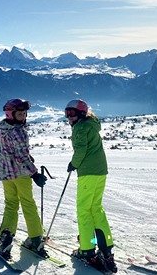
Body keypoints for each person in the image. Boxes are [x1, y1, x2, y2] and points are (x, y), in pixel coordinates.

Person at [65, 99, 117, 273]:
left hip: (88, 172)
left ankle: (87, 249)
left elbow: (80, 150)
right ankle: (105, 247)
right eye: (66, 113)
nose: (68, 117)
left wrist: (74, 164)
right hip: (100, 170)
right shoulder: (92, 124)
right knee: (96, 208)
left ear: (80, 113)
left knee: (84, 210)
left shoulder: (80, 128)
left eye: (71, 113)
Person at [0, 98, 48, 259]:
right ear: (11, 114)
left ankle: (5, 238)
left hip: (6, 174)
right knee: (28, 203)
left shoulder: (2, 126)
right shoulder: (19, 131)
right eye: (20, 113)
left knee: (11, 204)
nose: (23, 116)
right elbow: (21, 156)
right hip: (21, 175)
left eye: (24, 113)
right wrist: (34, 173)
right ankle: (36, 239)